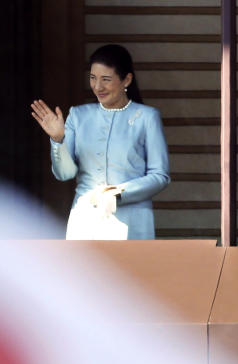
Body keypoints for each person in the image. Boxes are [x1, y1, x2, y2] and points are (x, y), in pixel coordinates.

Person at [30, 44, 170, 240]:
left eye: (106, 79)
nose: (97, 87)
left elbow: (160, 176)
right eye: (93, 78)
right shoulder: (78, 116)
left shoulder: (147, 117)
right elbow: (65, 174)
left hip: (132, 221)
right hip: (85, 221)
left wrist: (120, 192)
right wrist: (58, 140)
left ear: (126, 80)